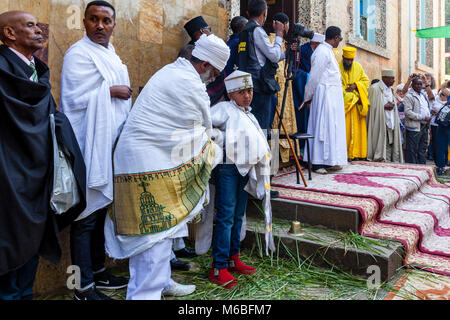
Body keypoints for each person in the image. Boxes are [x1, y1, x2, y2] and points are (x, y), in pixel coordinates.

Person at [104, 34, 230, 300]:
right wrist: (215, 149)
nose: (214, 78)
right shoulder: (187, 82)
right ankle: (143, 295)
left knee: (167, 228)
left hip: (152, 158)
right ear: (205, 64)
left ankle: (161, 282)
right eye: (215, 72)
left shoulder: (175, 71)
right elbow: (202, 129)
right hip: (146, 162)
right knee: (154, 234)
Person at [0, 10, 86, 300]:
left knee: (31, 247)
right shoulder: (2, 68)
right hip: (9, 177)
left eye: (38, 25)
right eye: (30, 26)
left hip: (38, 176)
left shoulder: (35, 70)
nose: (39, 31)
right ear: (9, 34)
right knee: (11, 247)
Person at [60, 1, 131, 300]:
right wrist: (111, 91)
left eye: (106, 20)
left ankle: (98, 271)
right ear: (84, 22)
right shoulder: (78, 54)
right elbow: (73, 101)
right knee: (85, 216)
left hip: (108, 144)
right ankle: (81, 286)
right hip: (87, 146)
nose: (100, 25)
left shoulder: (110, 54)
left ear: (114, 24)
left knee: (101, 211)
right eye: (93, 19)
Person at [209, 70, 274, 289]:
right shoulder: (224, 109)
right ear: (231, 94)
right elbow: (206, 124)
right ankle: (218, 267)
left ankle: (233, 257)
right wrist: (220, 140)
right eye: (241, 92)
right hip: (228, 167)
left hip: (245, 171)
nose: (247, 96)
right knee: (226, 216)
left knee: (238, 215)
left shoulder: (250, 115)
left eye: (249, 91)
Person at [238, 0, 288, 133]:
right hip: (259, 85)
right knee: (262, 126)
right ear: (264, 13)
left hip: (249, 82)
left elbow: (262, 56)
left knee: (252, 124)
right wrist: (279, 35)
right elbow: (273, 56)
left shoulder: (245, 30)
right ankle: (261, 152)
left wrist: (286, 54)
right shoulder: (257, 30)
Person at [303, 26, 347, 174]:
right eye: (339, 39)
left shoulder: (328, 51)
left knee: (332, 127)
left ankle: (330, 160)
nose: (339, 41)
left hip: (332, 96)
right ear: (334, 38)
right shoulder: (322, 51)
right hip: (324, 95)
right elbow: (314, 76)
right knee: (322, 126)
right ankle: (317, 162)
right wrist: (307, 96)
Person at [339, 47, 370, 161]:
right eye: (347, 60)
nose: (349, 62)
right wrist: (348, 94)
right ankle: (345, 154)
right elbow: (336, 84)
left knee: (357, 131)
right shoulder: (337, 67)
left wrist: (356, 85)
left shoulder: (358, 67)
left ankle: (357, 153)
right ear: (343, 57)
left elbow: (365, 81)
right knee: (345, 131)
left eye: (351, 60)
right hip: (345, 105)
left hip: (356, 105)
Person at [367, 69, 404, 163]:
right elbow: (371, 108)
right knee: (383, 144)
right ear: (384, 78)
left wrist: (392, 105)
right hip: (380, 122)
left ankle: (389, 164)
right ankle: (383, 163)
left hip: (390, 121)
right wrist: (383, 107)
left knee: (391, 144)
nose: (394, 80)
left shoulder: (390, 90)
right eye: (391, 78)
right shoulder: (374, 88)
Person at [403, 76, 431, 164]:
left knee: (422, 149)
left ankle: (422, 169)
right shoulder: (409, 96)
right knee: (412, 150)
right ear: (412, 85)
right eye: (417, 84)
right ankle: (412, 170)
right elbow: (408, 112)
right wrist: (422, 117)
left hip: (424, 127)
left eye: (420, 84)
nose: (419, 86)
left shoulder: (423, 95)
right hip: (414, 128)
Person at [430, 88, 450, 171]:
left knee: (440, 148)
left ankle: (440, 167)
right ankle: (441, 167)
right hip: (445, 126)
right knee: (441, 147)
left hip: (442, 125)